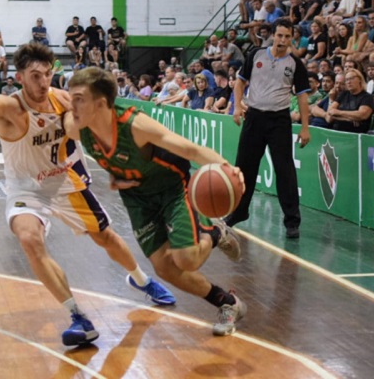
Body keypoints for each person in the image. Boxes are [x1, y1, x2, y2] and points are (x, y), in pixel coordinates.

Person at [0, 42, 176, 347]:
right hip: (27, 189)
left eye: (46, 74)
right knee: (29, 238)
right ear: (20, 77)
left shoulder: (65, 100)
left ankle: (141, 279)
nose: (43, 82)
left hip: (65, 181)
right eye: (35, 76)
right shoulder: (10, 108)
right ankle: (77, 316)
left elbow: (99, 130)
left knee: (105, 236)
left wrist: (117, 165)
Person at [66, 67, 246, 336]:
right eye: (71, 98)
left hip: (172, 188)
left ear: (101, 103)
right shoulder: (76, 127)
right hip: (137, 198)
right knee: (164, 268)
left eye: (79, 99)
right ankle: (227, 302)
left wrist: (229, 168)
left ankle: (214, 231)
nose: (72, 106)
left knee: (186, 259)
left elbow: (190, 149)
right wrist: (117, 176)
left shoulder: (135, 125)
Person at [227, 18, 311, 239]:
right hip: (253, 116)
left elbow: (302, 97)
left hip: (279, 120)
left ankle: (292, 221)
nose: (283, 40)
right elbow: (240, 81)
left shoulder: (295, 63)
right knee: (244, 167)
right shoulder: (256, 54)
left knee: (285, 170)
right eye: (279, 35)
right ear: (273, 35)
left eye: (287, 36)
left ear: (292, 37)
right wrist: (237, 106)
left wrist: (305, 128)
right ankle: (239, 211)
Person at [327, 69, 374, 133]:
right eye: (347, 80)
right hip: (337, 131)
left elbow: (362, 115)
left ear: (359, 79)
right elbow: (330, 112)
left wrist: (338, 113)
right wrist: (349, 118)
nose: (348, 82)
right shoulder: (344, 94)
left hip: (356, 134)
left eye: (351, 78)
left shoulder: (367, 97)